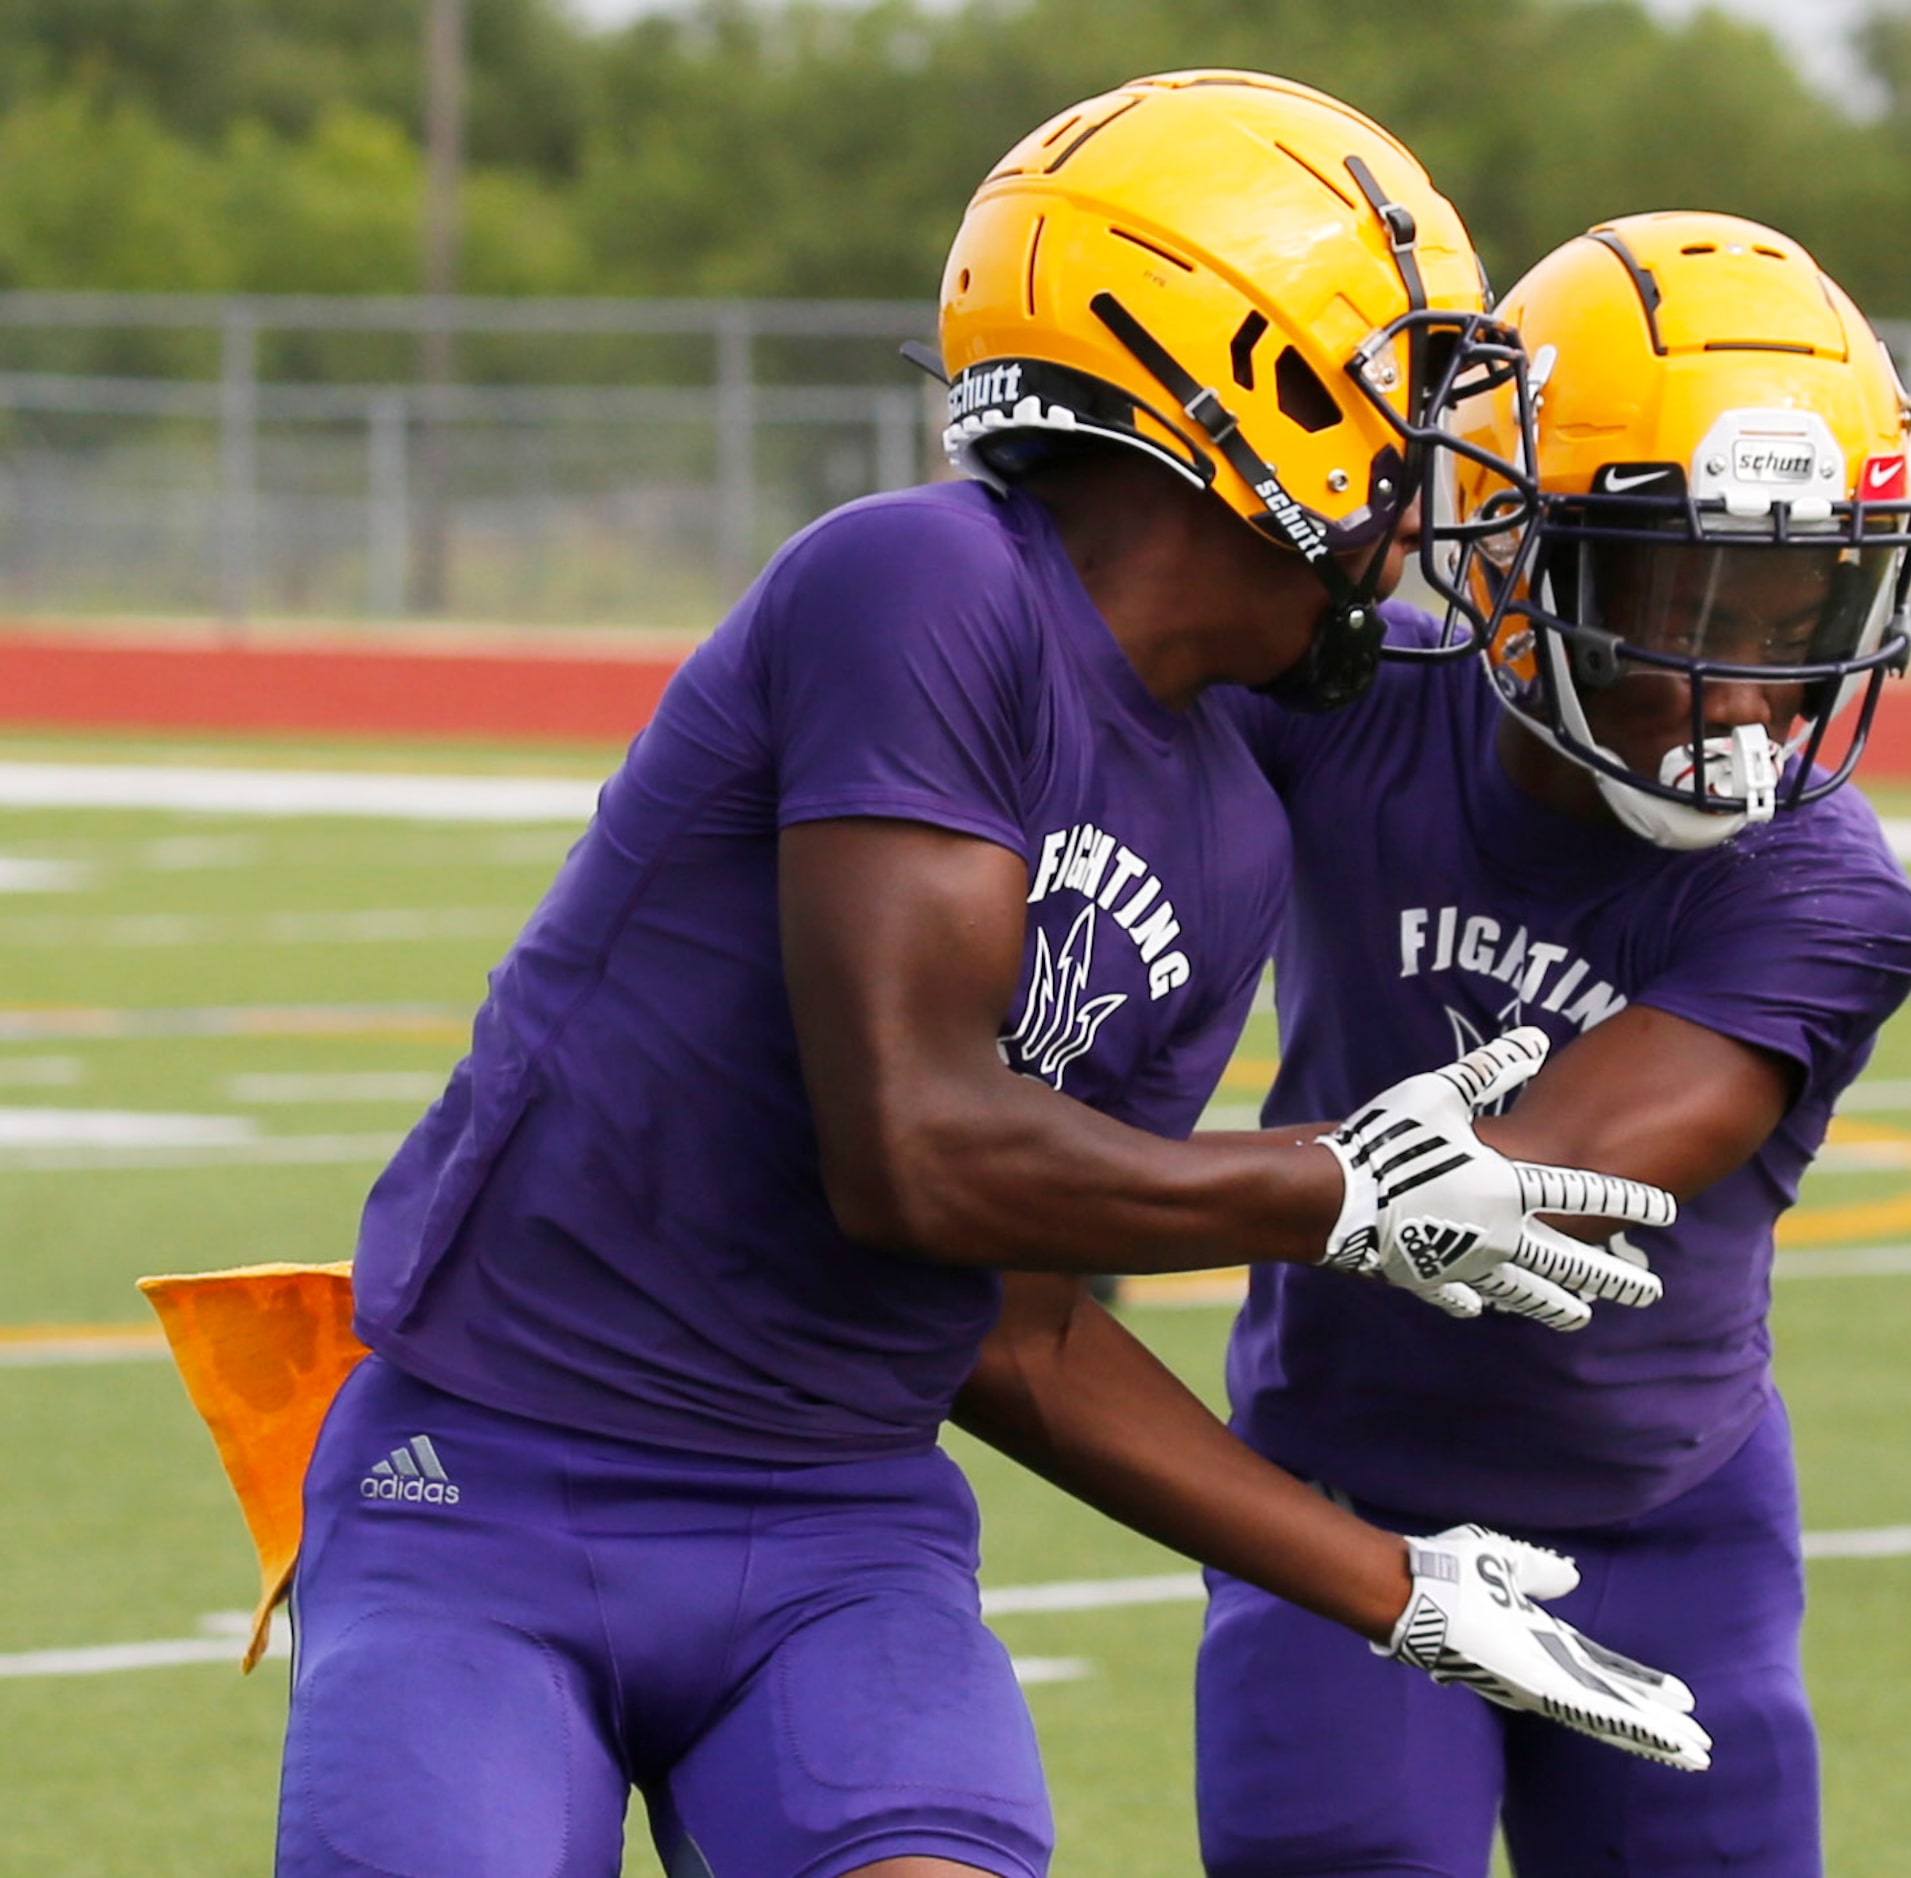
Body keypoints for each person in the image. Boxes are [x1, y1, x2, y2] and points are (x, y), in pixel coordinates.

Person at [263, 72, 1707, 1878]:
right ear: (1261, 391)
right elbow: (913, 1153)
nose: (1435, 479)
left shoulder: (1230, 814)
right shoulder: (925, 583)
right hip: (498, 1479)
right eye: (1408, 400)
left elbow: (1014, 1326)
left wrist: (1395, 1585)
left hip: (838, 1533)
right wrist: (1327, 1191)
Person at [1188, 212, 1911, 1878]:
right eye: (1685, 601)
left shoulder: (1825, 889)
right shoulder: (1351, 705)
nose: (1741, 689)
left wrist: (1056, 1185)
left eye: (1797, 609)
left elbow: (1514, 1184)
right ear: (1512, 566)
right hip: (1334, 1497)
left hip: (1669, 1514)